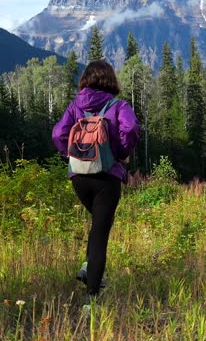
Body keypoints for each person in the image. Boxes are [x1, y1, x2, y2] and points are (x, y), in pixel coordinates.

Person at [52, 60, 140, 304]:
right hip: (106, 177)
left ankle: (86, 267)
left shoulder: (75, 106)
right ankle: (91, 299)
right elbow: (131, 128)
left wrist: (70, 154)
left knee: (96, 225)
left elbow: (57, 134)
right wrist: (121, 153)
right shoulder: (118, 105)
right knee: (101, 232)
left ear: (85, 80)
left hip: (79, 177)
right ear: (110, 79)